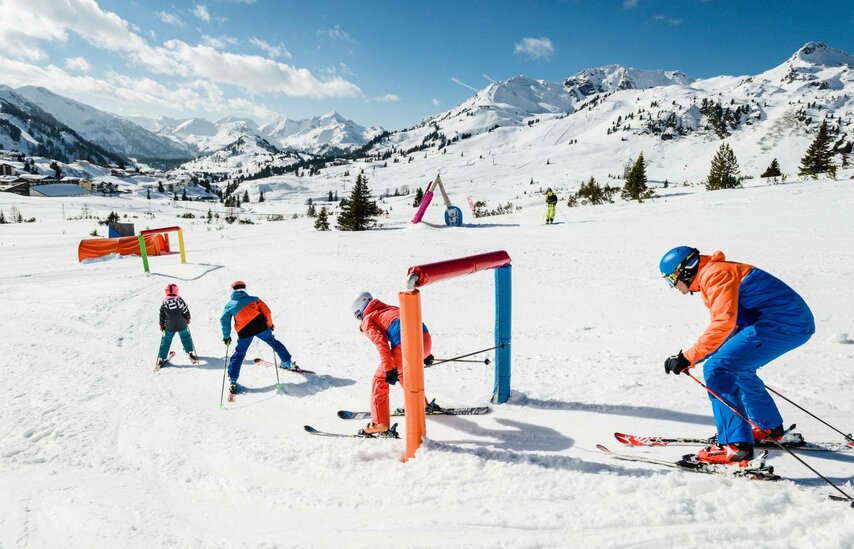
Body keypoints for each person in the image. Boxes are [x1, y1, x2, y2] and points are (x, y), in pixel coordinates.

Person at [660, 247, 814, 467]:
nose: (673, 287)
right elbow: (731, 330)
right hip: (787, 322)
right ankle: (768, 428)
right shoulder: (713, 274)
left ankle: (735, 446)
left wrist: (689, 357)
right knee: (735, 367)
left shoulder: (715, 274)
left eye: (671, 279)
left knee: (718, 369)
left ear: (684, 271)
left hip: (782, 323)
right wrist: (689, 358)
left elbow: (724, 324)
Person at [352, 291, 433, 434]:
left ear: (360, 311)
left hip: (407, 346)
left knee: (379, 379)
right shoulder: (390, 308)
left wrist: (388, 368)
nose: (360, 319)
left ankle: (379, 423)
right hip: (425, 340)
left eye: (359, 316)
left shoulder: (368, 319)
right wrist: (425, 353)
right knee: (402, 372)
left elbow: (381, 343)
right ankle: (420, 403)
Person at [221, 281, 293, 396]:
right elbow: (267, 312)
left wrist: (226, 337)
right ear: (244, 289)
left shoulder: (230, 305)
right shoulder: (254, 299)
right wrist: (269, 325)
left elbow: (224, 320)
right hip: (260, 327)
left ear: (232, 291)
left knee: (239, 354)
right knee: (274, 343)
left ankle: (233, 381)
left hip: (245, 332)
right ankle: (287, 362)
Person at [158, 283, 197, 366]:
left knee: (166, 340)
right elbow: (186, 309)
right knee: (185, 336)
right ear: (176, 291)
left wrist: (162, 324)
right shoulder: (179, 300)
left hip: (169, 326)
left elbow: (162, 315)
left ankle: (162, 358)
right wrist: (188, 318)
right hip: (181, 324)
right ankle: (189, 352)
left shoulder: (164, 302)